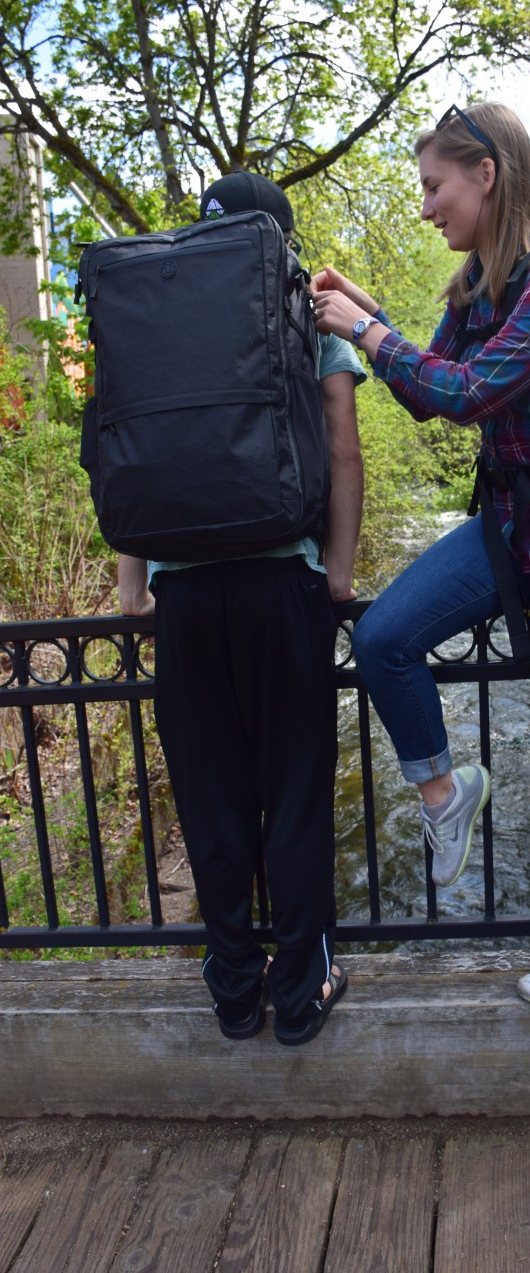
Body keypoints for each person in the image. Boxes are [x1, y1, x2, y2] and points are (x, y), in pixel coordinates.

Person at [311, 102, 530, 1007]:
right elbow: (430, 394)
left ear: (488, 174)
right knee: (383, 635)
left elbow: (473, 394)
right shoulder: (473, 290)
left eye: (434, 185)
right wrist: (373, 317)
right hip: (513, 528)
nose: (426, 206)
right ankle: (443, 791)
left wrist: (365, 330)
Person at [119, 171, 365, 1044]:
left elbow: (134, 453)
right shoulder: (304, 309)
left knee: (212, 797)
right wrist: (336, 573)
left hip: (183, 597)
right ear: (282, 238)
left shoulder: (157, 314)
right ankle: (301, 992)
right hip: (280, 586)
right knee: (294, 794)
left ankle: (232, 991)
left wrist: (132, 587)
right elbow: (341, 452)